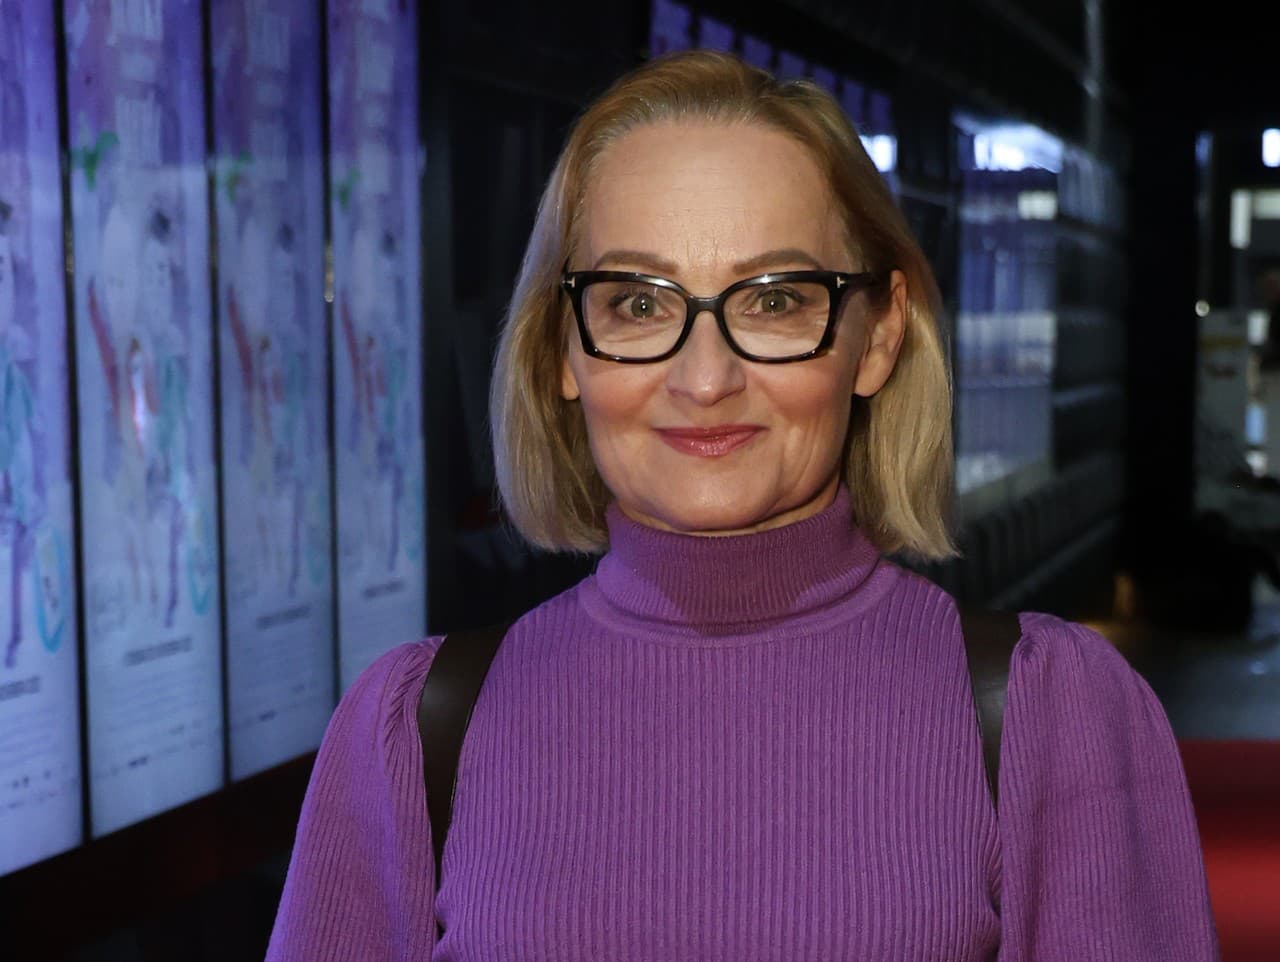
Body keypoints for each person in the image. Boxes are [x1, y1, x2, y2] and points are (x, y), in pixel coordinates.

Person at [265, 51, 1218, 961]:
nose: (705, 379)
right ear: (563, 349)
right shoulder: (415, 732)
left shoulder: (1051, 714)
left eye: (774, 300)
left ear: (878, 337)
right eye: (639, 303)